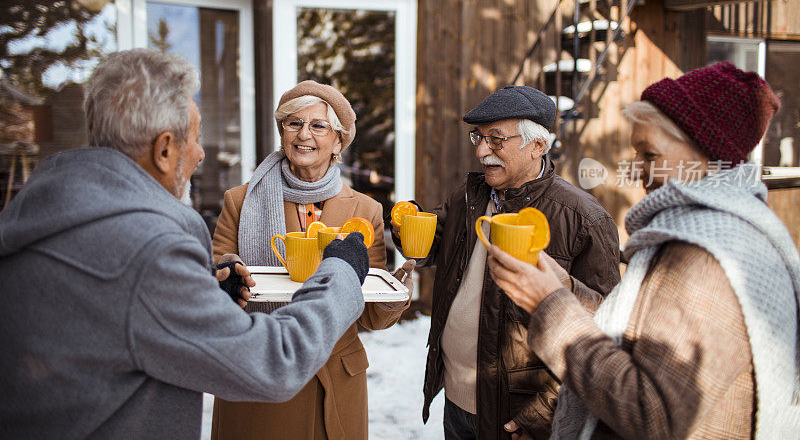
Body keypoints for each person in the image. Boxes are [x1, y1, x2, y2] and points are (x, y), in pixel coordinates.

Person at [0, 49, 371, 439]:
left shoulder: (36, 217)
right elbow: (274, 363)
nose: (201, 153)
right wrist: (342, 271)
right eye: (194, 137)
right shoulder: (150, 250)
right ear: (163, 150)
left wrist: (205, 294)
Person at [488, 61, 800, 439]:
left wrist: (548, 306)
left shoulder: (705, 258)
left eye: (649, 155)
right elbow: (638, 329)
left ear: (706, 156)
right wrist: (566, 289)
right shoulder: (709, 230)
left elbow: (655, 417)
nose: (634, 170)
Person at [392, 85, 621, 439]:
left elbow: (606, 329)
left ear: (538, 146)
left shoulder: (584, 219)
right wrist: (407, 225)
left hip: (519, 418)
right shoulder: (469, 194)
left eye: (496, 140)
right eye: (479, 138)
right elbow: (435, 246)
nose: (483, 151)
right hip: (456, 400)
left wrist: (545, 411)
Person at [210, 80, 414, 440]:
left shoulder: (365, 209)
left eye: (318, 126)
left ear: (339, 142)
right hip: (261, 370)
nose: (304, 134)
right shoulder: (241, 201)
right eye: (294, 123)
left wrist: (395, 293)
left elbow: (369, 313)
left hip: (333, 382)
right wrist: (228, 275)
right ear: (282, 132)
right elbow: (215, 287)